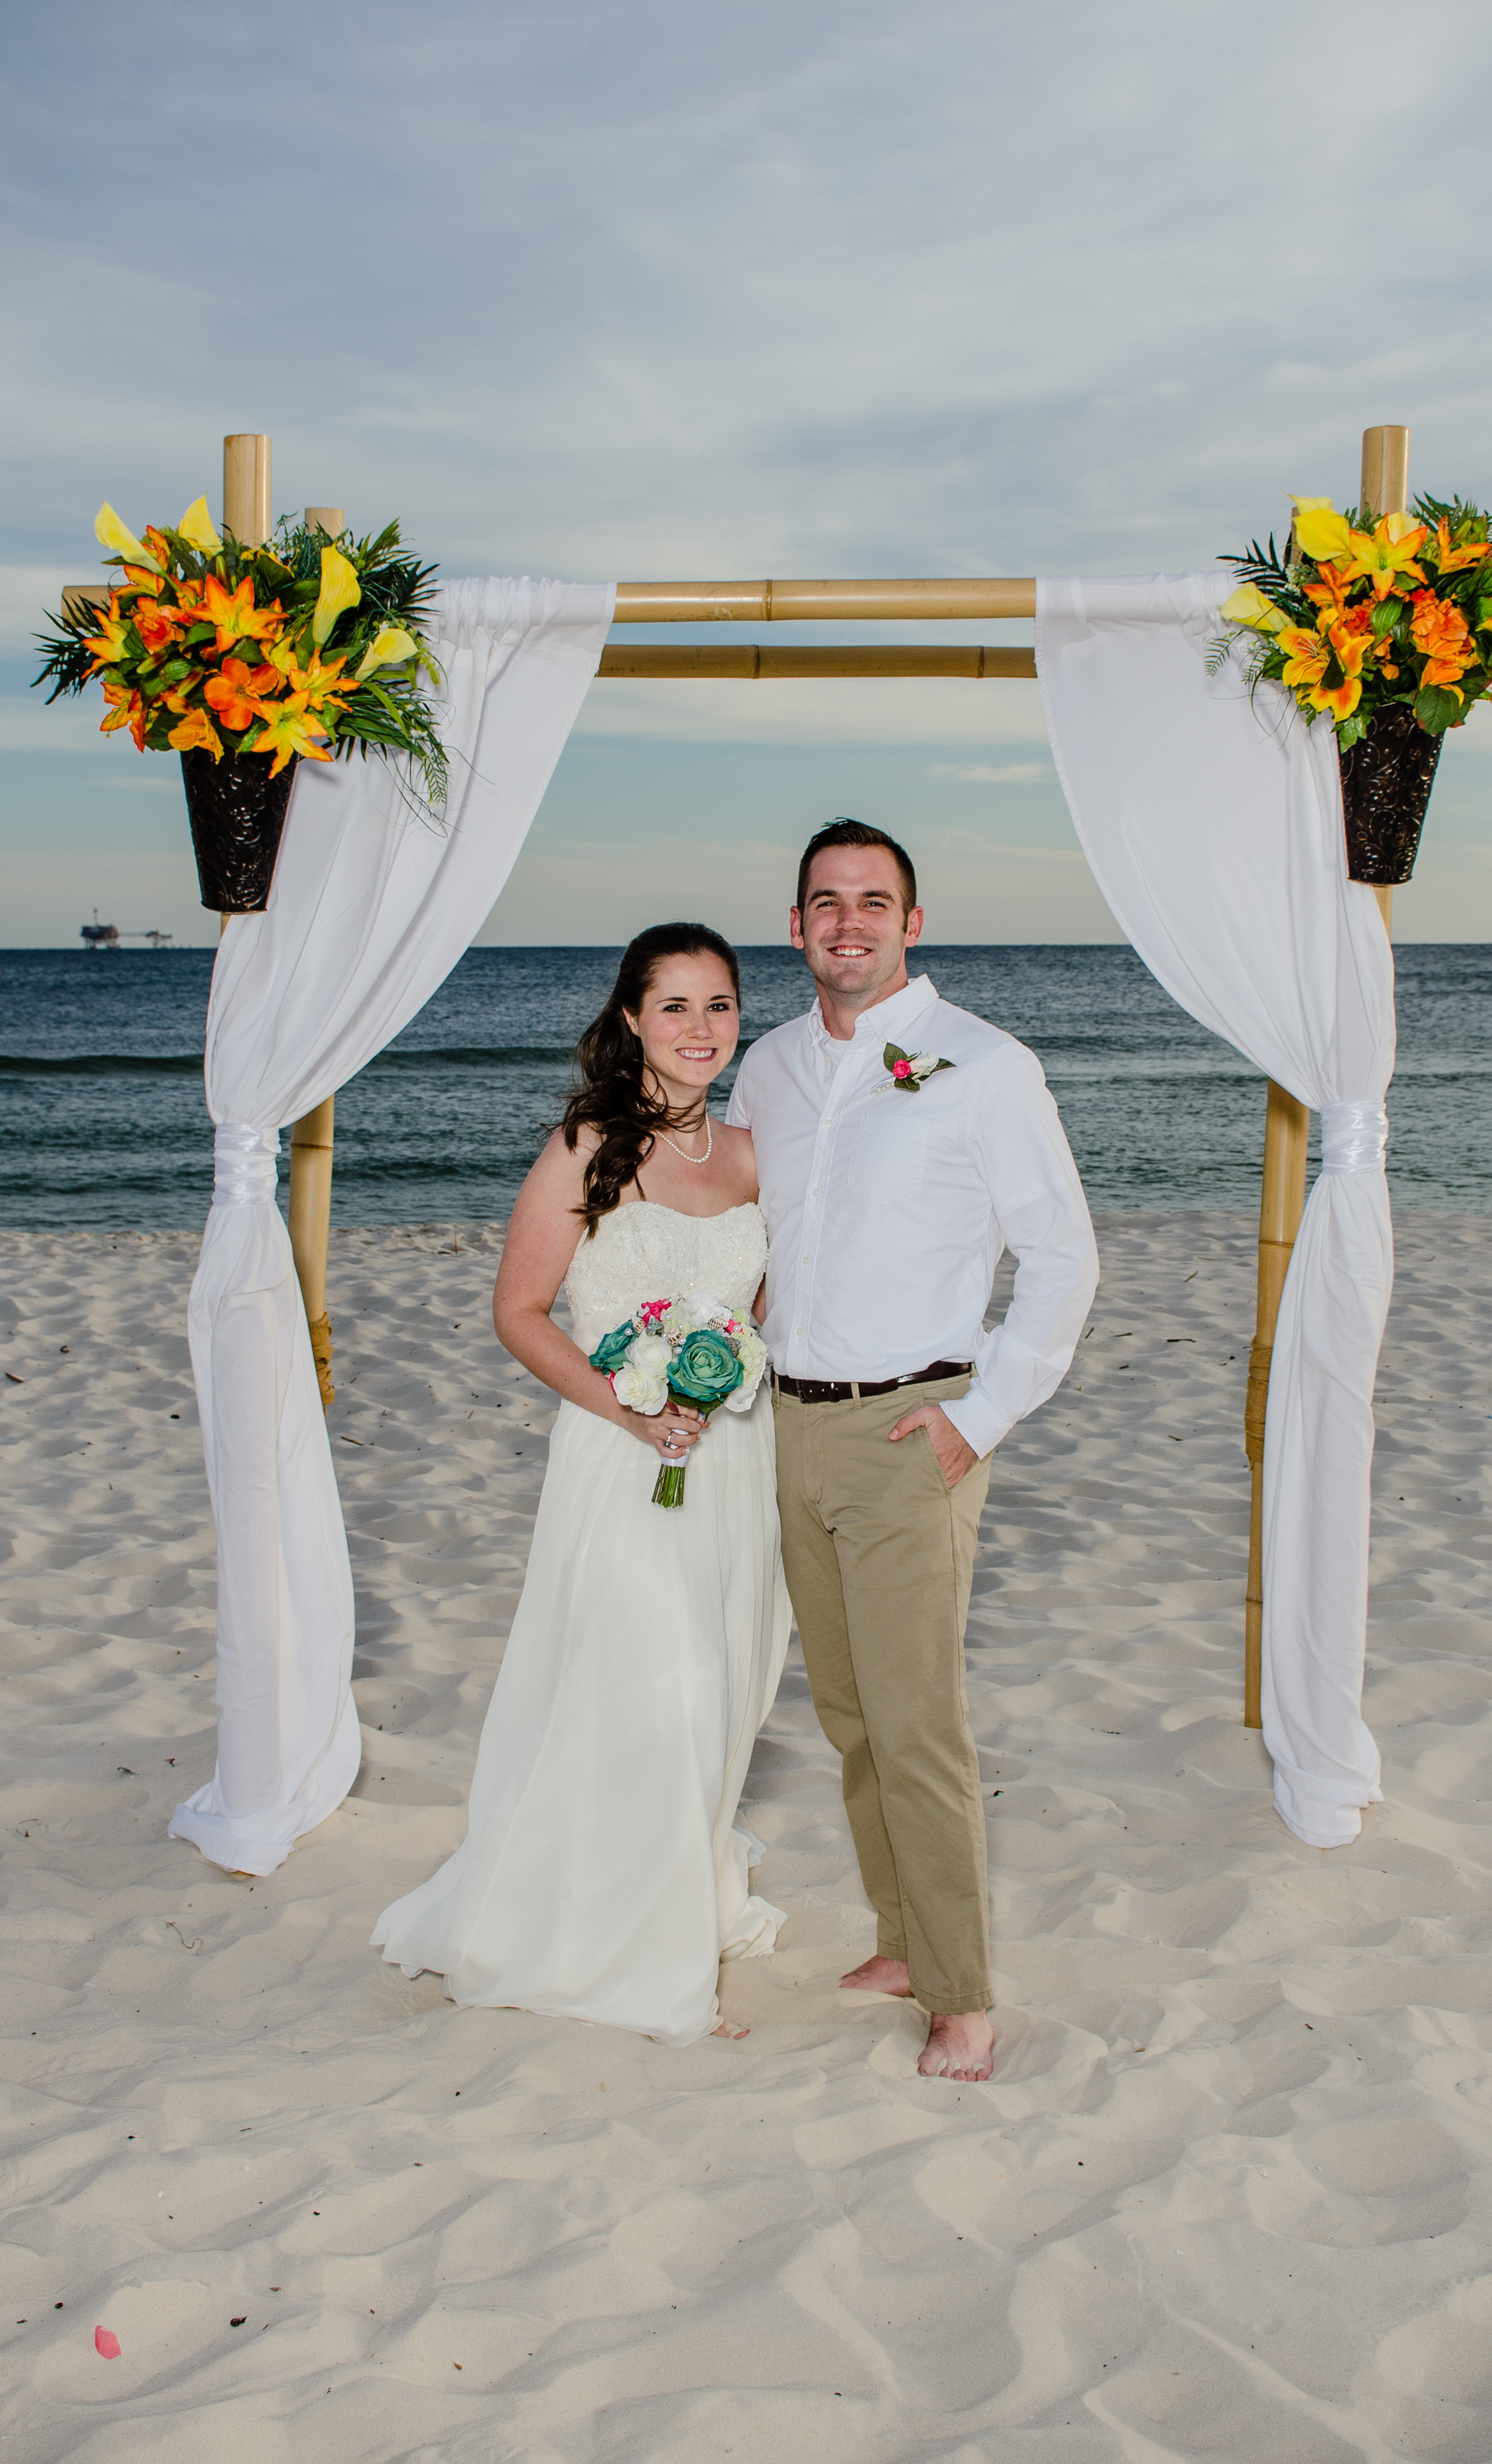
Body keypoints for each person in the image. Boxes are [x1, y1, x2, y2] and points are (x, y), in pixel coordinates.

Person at [373, 924, 790, 2047]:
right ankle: (629, 1956)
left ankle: (676, 1894)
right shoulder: (585, 1144)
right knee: (655, 1685)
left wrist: (724, 1377)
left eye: (717, 1005)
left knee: (725, 1689)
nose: (699, 1028)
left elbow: (758, 1307)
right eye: (674, 1007)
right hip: (620, 1457)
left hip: (732, 1457)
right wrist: (635, 1406)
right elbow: (518, 1311)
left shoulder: (756, 1153)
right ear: (628, 1021)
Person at [727, 820, 1097, 2083]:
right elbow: (760, 1248)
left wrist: (975, 1418)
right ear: (794, 928)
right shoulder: (766, 1069)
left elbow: (1061, 1258)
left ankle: (960, 1994)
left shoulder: (983, 1064)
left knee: (919, 1723)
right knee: (847, 1716)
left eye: (873, 901)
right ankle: (898, 1936)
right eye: (824, 902)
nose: (848, 922)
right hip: (787, 1421)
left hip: (908, 1428)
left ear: (911, 924)